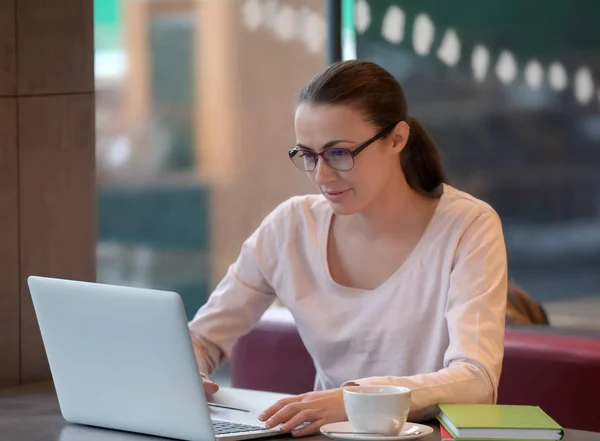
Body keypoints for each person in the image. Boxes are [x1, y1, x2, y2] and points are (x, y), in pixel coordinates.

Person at [188, 60, 507, 437]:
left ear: (397, 139)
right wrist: (189, 371)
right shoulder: (290, 226)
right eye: (308, 155)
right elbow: (203, 337)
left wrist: (354, 397)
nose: (322, 176)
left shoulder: (467, 226)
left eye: (339, 153)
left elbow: (476, 379)